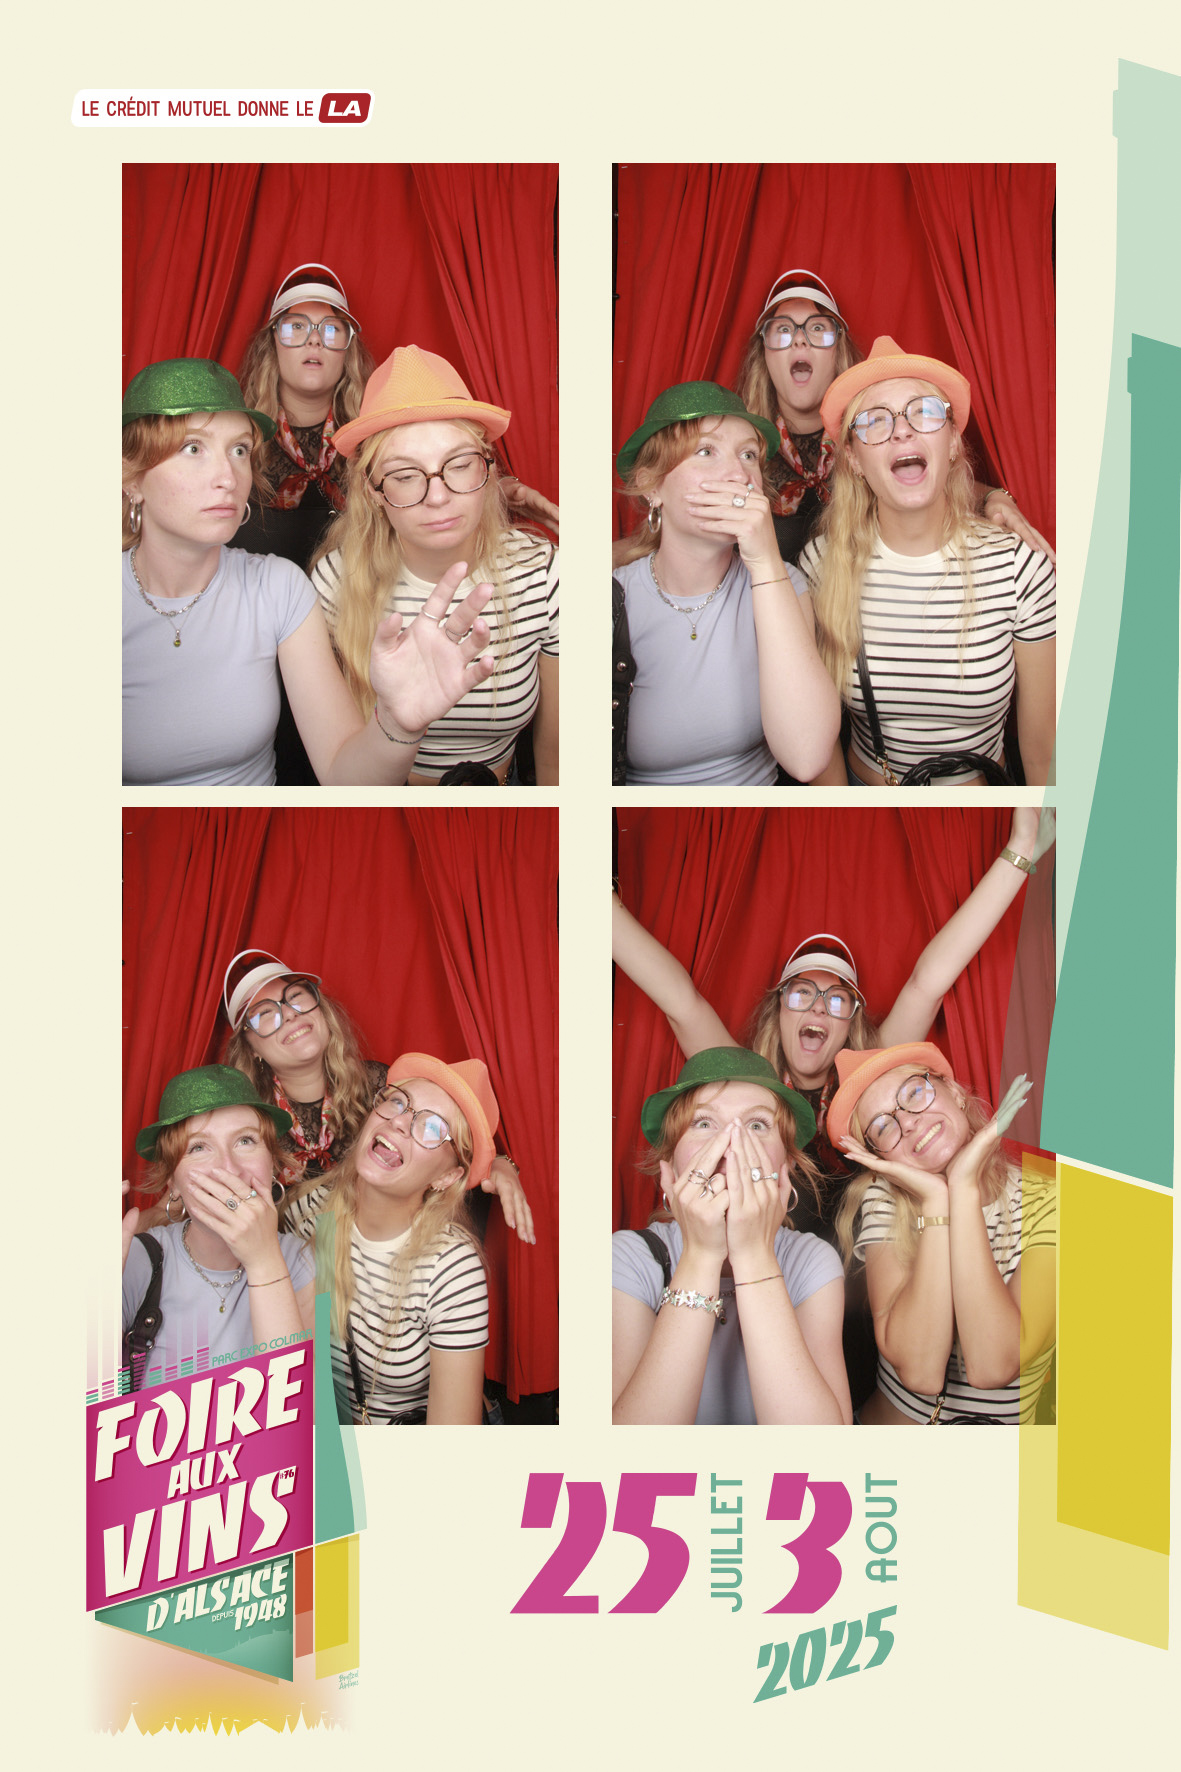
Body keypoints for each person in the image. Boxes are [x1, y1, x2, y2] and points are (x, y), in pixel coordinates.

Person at [612, 808, 1053, 1406]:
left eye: (838, 1000)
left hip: (869, 1316)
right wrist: (599, 903)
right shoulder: (747, 1084)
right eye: (802, 992)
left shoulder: (876, 1091)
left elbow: (929, 979)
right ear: (778, 1009)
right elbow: (679, 999)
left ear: (852, 1025)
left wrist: (1020, 851)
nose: (819, 1007)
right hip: (757, 1298)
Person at [122, 358, 497, 787]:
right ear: (130, 478)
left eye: (239, 450)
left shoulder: (279, 587)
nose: (228, 476)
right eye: (193, 448)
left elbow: (345, 780)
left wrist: (397, 724)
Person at [802, 337, 1056, 786]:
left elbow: (1044, 756)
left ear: (953, 442)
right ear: (854, 459)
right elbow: (811, 739)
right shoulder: (821, 565)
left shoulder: (1022, 569)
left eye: (924, 412)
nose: (902, 431)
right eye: (875, 420)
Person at [311, 346, 559, 784]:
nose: (439, 497)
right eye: (405, 476)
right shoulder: (334, 582)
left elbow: (558, 758)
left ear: (488, 468)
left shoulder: (542, 574)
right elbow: (341, 773)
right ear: (372, 490)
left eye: (459, 466)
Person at [735, 267, 1055, 567]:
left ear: (838, 351)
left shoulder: (875, 430)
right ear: (764, 353)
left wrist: (993, 497)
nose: (800, 339)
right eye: (782, 330)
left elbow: (939, 475)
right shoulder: (742, 445)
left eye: (818, 328)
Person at [221, 948, 534, 1241]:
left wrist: (497, 1165)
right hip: (303, 1263)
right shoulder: (246, 1122)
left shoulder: (382, 1087)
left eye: (296, 997)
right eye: (264, 1014)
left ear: (321, 1011)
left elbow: (443, 1144)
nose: (289, 1014)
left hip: (390, 1245)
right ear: (250, 1047)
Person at [612, 382, 840, 785]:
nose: (739, 475)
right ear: (652, 486)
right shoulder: (611, 599)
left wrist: (765, 561)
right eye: (706, 451)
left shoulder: (785, 584)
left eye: (748, 455)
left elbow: (807, 758)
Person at [612, 1049, 850, 1425]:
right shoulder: (627, 1257)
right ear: (669, 1167)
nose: (731, 1144)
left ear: (787, 1165)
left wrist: (753, 1254)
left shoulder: (811, 1260)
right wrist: (702, 1255)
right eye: (704, 1122)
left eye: (756, 1125)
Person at [827, 1043, 1056, 1425]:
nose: (908, 1122)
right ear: (881, 1158)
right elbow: (920, 1373)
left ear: (953, 1090)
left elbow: (994, 1365)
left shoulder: (1050, 1202)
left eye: (914, 1092)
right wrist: (937, 1200)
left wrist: (963, 1189)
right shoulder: (883, 1198)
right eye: (883, 1127)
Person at [284, 1055, 496, 1425]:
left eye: (432, 1127)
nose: (399, 1121)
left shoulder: (451, 1269)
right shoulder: (310, 1217)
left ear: (447, 1177)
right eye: (398, 1102)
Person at [121, 1067, 315, 1390]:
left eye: (245, 1141)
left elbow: (299, 1409)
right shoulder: (136, 1259)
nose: (228, 1167)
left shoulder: (304, 1262)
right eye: (198, 1147)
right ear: (172, 1182)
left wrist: (264, 1261)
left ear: (272, 1164)